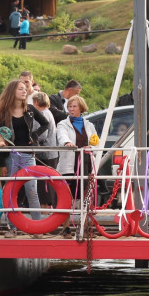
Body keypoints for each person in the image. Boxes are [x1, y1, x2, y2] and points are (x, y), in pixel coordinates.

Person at [0, 79, 52, 225]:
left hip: (28, 154)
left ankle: (37, 226)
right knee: (11, 191)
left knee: (32, 191)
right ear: (12, 91)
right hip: (10, 156)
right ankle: (11, 226)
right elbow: (1, 137)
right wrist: (2, 163)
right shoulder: (3, 112)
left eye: (25, 89)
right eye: (20, 89)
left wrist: (34, 136)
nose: (24, 91)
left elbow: (46, 123)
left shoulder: (31, 109)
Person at [55, 95, 99, 233]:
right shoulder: (63, 124)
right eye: (69, 107)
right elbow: (61, 135)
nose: (71, 109)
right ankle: (66, 227)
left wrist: (91, 148)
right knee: (67, 196)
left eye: (74, 106)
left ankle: (85, 225)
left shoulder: (89, 125)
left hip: (85, 163)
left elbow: (95, 141)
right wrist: (67, 142)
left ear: (81, 108)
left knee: (85, 195)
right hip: (69, 164)